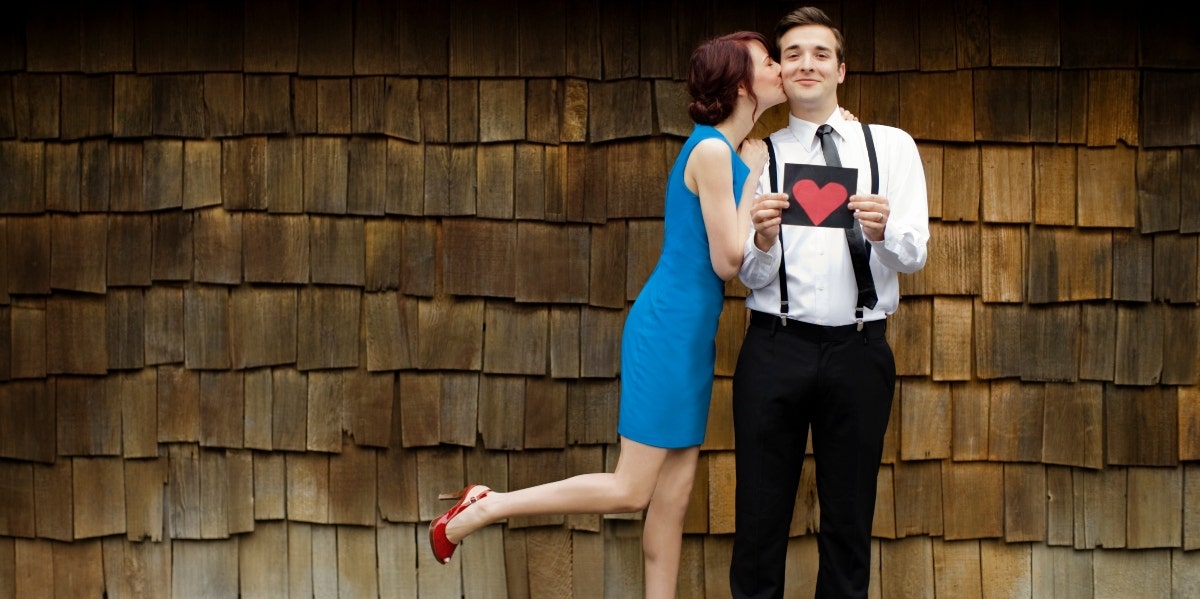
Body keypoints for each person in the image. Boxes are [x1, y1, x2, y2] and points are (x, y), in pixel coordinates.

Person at [428, 31, 788, 599]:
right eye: (770, 61)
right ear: (742, 82)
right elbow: (726, 261)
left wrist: (760, 168)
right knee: (631, 490)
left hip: (693, 336)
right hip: (668, 326)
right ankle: (484, 507)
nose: (781, 68)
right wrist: (756, 201)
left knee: (672, 499)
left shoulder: (744, 151)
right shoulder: (715, 151)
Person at [729, 6, 929, 599]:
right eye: (792, 54)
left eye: (820, 53)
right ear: (780, 75)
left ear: (841, 70)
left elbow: (914, 254)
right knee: (759, 517)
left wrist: (883, 231)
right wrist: (762, 242)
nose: (806, 64)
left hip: (859, 350)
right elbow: (746, 271)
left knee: (848, 520)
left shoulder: (890, 147)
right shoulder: (756, 156)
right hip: (774, 346)